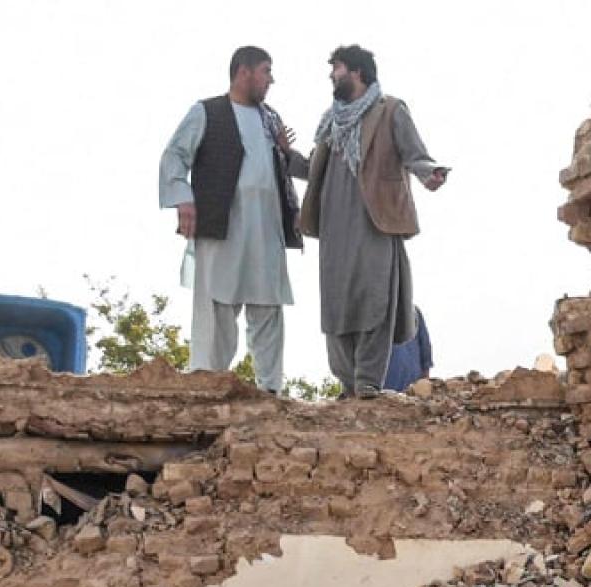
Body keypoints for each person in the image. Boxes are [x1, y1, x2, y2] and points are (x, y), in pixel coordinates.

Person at [299, 44, 447, 399]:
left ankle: (367, 381)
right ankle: (347, 383)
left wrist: (429, 174)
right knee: (337, 306)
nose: (331, 75)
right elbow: (313, 170)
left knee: (374, 301)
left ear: (357, 73)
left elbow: (415, 154)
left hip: (376, 222)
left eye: (337, 68)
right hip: (334, 226)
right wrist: (283, 155)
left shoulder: (390, 110)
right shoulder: (329, 122)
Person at [159, 45, 309, 395]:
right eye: (266, 71)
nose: (271, 79)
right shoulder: (206, 112)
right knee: (217, 305)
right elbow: (174, 156)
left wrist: (295, 204)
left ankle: (270, 389)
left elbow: (290, 168)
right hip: (222, 224)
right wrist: (183, 199)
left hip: (266, 227)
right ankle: (207, 384)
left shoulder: (270, 118)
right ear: (244, 72)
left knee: (268, 305)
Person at [381, 305, 432, 393]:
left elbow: (425, 350)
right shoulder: (370, 314)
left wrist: (424, 385)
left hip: (412, 389)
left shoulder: (414, 312)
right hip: (384, 392)